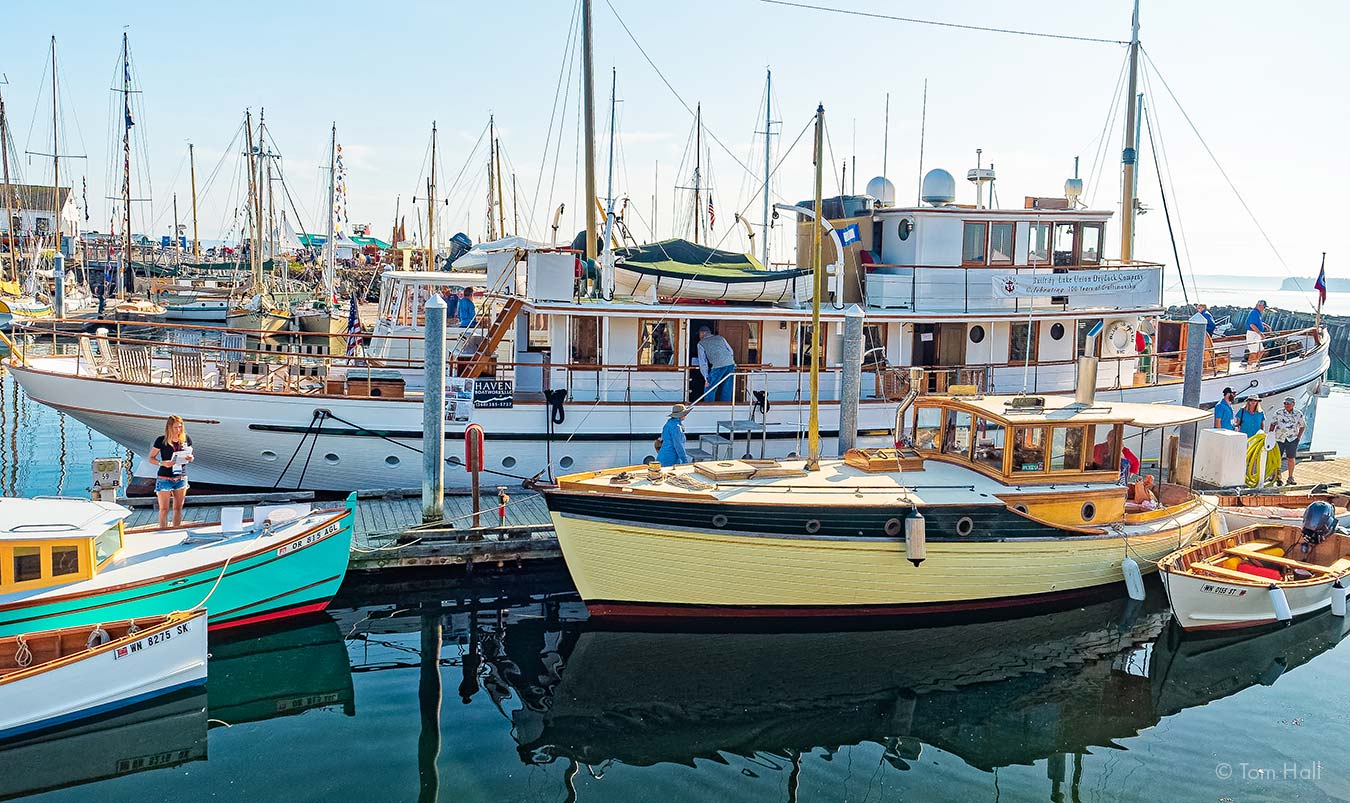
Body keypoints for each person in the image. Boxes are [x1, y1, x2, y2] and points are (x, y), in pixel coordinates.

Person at [149, 415, 193, 529]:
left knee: (178, 508)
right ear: (169, 427)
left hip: (181, 477)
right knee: (164, 509)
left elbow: (190, 455)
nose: (178, 430)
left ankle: (175, 530)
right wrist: (162, 463)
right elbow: (151, 458)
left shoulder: (185, 439)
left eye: (180, 427)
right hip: (165, 478)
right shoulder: (161, 440)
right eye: (175, 427)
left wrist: (190, 458)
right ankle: (162, 531)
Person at [1268, 396, 1306, 485]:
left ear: (1293, 404)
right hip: (1279, 438)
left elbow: (1302, 425)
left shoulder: (1298, 414)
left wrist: (1298, 437)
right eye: (1285, 403)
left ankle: (1290, 477)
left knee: (1291, 458)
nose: (1286, 405)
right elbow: (1273, 424)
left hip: (1292, 438)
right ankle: (1276, 476)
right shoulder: (1278, 413)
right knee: (1277, 458)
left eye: (1288, 403)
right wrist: (1270, 435)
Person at [695, 325, 736, 402]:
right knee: (727, 387)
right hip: (730, 364)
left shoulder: (701, 343)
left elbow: (703, 362)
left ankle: (708, 406)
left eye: (699, 334)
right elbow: (731, 351)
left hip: (718, 366)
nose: (699, 336)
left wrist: (706, 378)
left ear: (703, 333)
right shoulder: (721, 338)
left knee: (710, 387)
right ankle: (726, 405)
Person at [1245, 300, 1270, 367]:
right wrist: (1261, 334)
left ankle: (1253, 364)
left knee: (1261, 351)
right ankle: (1249, 367)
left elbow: (1258, 322)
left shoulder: (1257, 313)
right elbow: (1252, 325)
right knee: (1254, 352)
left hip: (1256, 334)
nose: (1264, 309)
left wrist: (1265, 325)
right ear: (1259, 306)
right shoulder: (1254, 313)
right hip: (1253, 335)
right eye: (1264, 307)